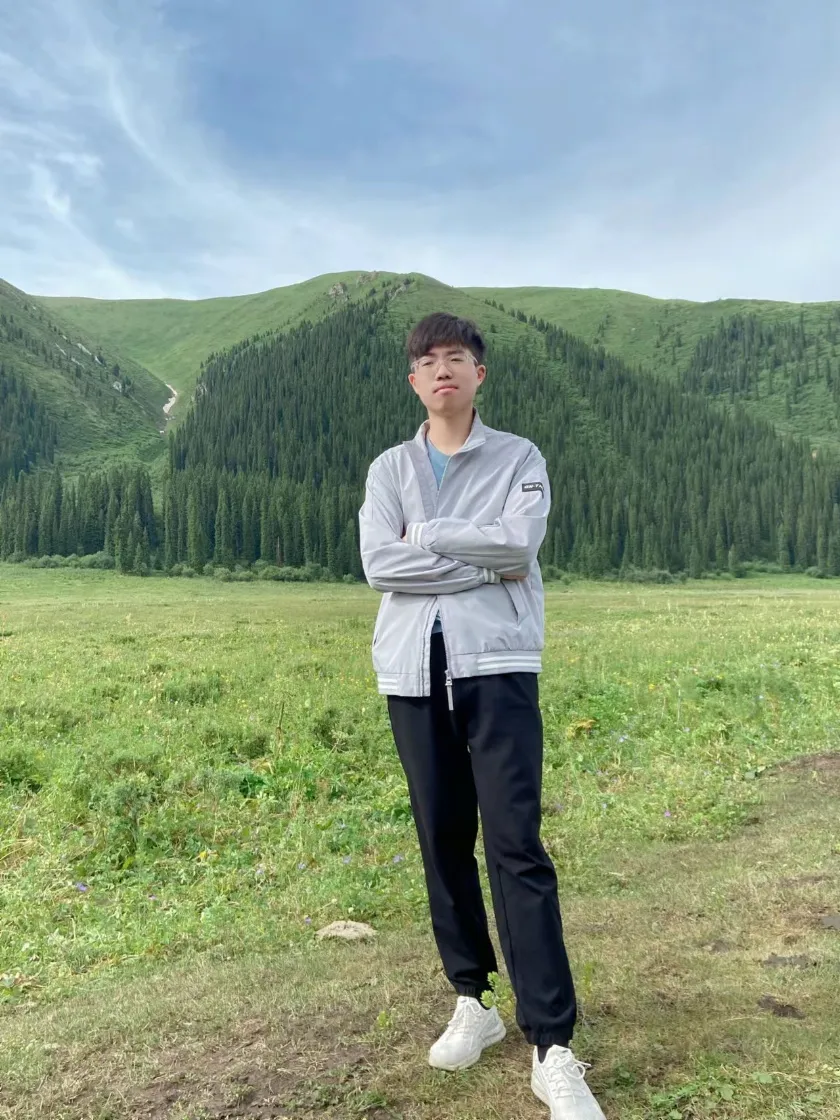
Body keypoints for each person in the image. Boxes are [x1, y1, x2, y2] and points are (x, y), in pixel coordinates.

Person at [358, 312, 606, 1119]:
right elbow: (378, 563)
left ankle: (552, 1043)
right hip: (411, 673)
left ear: (478, 374)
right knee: (441, 839)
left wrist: (430, 537)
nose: (443, 371)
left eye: (457, 358)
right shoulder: (390, 468)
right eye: (428, 361)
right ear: (414, 380)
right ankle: (474, 998)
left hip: (497, 669)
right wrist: (477, 562)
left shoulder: (519, 458)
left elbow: (518, 547)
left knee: (515, 844)